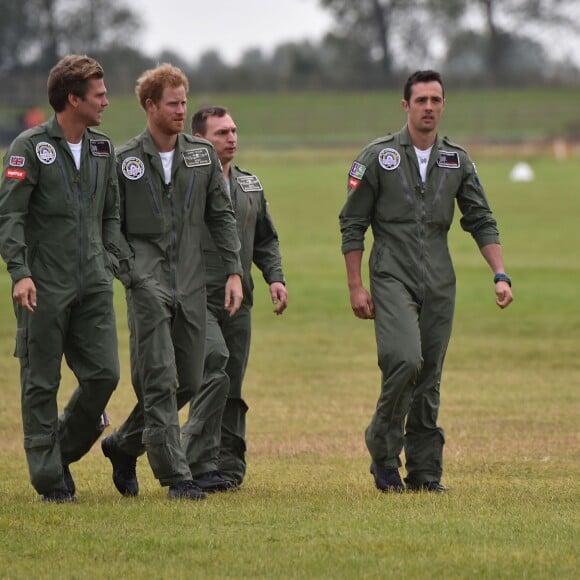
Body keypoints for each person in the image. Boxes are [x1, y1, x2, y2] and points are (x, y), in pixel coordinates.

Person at [339, 70, 513, 493]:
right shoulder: (378, 156)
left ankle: (424, 472)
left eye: (436, 100)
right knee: (404, 359)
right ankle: (382, 451)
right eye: (421, 100)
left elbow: (480, 219)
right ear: (406, 106)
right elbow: (352, 222)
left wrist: (500, 273)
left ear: (443, 105)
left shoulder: (457, 159)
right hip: (391, 274)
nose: (429, 107)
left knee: (430, 374)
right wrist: (355, 285)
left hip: (439, 279)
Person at [100, 65, 243, 501]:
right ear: (150, 106)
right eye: (173, 103)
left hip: (192, 282)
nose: (182, 110)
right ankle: (176, 477)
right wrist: (129, 270)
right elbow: (110, 222)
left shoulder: (201, 155)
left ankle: (123, 444)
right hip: (147, 281)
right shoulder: (123, 161)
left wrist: (235, 270)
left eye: (184, 102)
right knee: (159, 377)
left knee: (191, 379)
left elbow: (220, 215)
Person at [0, 55, 121, 503]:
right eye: (99, 94)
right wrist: (20, 272)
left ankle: (62, 451)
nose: (107, 100)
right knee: (41, 381)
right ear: (73, 99)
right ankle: (49, 480)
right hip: (42, 285)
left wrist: (112, 262)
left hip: (94, 283)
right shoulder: (29, 147)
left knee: (105, 374)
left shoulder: (103, 149)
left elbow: (111, 213)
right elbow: (9, 215)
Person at [182, 106, 287, 490]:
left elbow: (265, 238)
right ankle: (196, 460)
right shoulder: (187, 185)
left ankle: (228, 464)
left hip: (240, 300)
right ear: (199, 141)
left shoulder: (249, 185)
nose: (231, 138)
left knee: (233, 383)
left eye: (234, 131)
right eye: (221, 133)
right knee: (213, 370)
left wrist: (275, 277)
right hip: (198, 296)